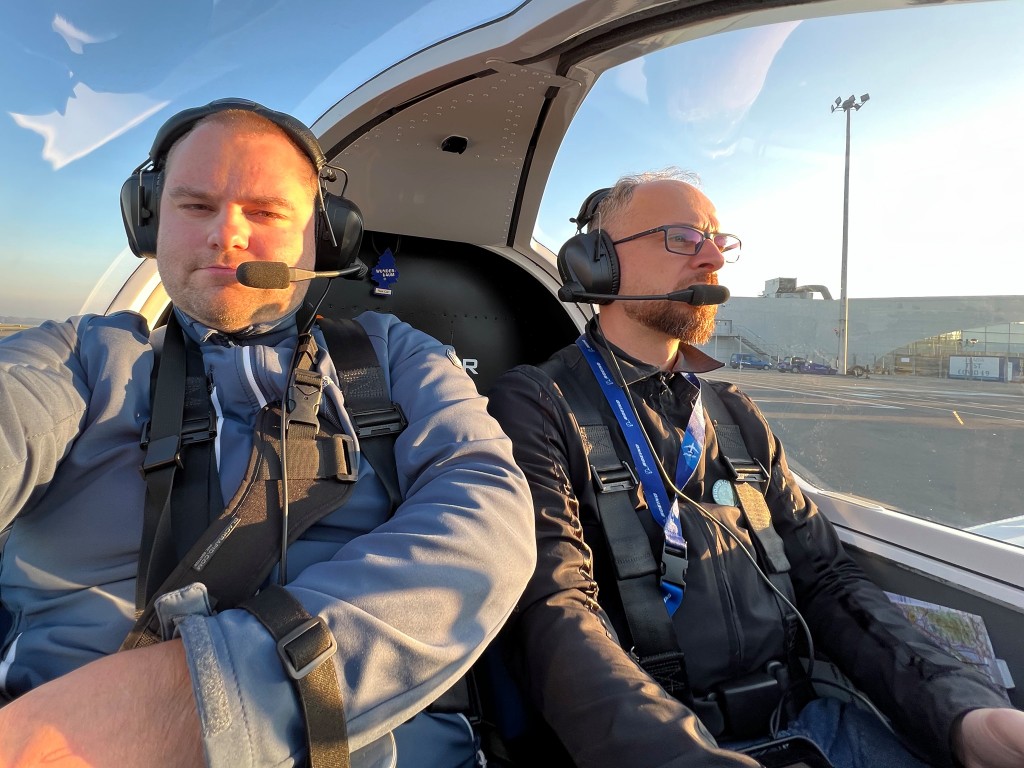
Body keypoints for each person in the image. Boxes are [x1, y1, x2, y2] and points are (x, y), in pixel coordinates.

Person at [0, 99, 535, 767]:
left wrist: (210, 695)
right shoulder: (74, 361)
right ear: (150, 223)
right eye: (195, 206)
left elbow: (488, 519)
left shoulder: (396, 359)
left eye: (266, 212)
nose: (226, 234)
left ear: (323, 236)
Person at [486, 170, 1024, 768]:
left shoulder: (733, 410)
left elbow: (826, 580)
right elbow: (555, 610)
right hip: (670, 740)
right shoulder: (538, 404)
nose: (713, 256)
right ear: (596, 263)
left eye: (719, 240)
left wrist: (962, 714)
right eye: (684, 237)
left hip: (810, 721)